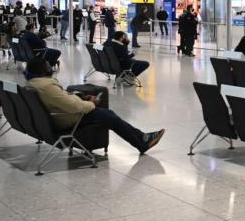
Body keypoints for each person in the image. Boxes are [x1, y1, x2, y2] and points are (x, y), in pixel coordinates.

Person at [24, 57, 164, 154]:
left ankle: (141, 138)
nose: (50, 66)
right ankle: (142, 141)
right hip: (65, 118)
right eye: (47, 65)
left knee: (106, 115)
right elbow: (73, 107)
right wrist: (90, 103)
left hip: (54, 117)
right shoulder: (47, 86)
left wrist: (81, 97)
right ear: (41, 71)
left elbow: (61, 99)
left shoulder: (34, 83)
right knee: (107, 116)